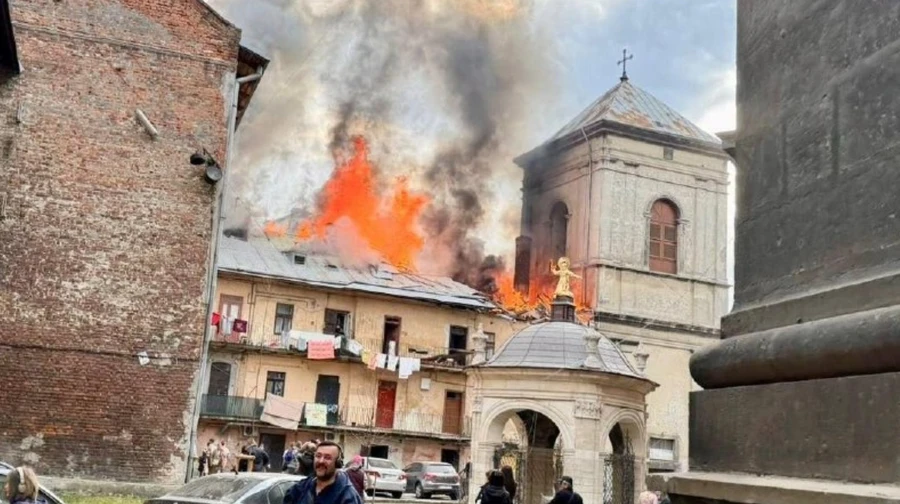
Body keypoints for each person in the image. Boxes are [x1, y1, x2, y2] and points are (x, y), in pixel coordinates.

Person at [284, 441, 364, 504]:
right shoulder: (300, 489)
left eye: (327, 457)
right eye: (318, 456)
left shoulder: (348, 497)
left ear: (337, 464)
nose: (321, 461)